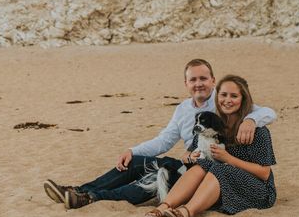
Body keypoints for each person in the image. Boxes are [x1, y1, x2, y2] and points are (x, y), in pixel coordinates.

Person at [43, 59, 276, 209]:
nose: (199, 84)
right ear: (186, 83)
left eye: (203, 78)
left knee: (155, 177)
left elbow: (266, 111)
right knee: (134, 162)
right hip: (191, 162)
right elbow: (164, 140)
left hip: (207, 169)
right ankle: (80, 190)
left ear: (213, 81)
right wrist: (132, 150)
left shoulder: (223, 101)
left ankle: (92, 198)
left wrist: (251, 119)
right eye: (193, 79)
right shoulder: (183, 109)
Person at [143, 74, 276, 217]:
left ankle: (188, 210)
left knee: (220, 168)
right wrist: (190, 157)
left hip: (257, 190)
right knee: (202, 165)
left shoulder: (256, 130)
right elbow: (188, 152)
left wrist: (228, 159)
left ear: (243, 99)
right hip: (221, 185)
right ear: (217, 97)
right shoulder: (212, 124)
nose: (227, 100)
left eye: (234, 96)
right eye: (223, 95)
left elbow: (264, 174)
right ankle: (164, 206)